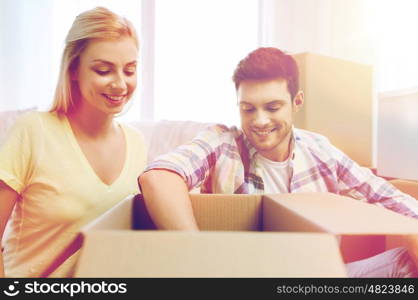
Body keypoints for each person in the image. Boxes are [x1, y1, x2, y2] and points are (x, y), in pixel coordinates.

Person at [138, 47, 418, 277]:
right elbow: (159, 176)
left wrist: (411, 233)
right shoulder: (222, 143)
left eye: (272, 108)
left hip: (318, 279)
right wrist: (197, 253)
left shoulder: (320, 150)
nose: (259, 121)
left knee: (405, 262)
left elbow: (390, 199)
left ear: (297, 102)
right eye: (248, 109)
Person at [0, 7, 147, 277]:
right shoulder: (33, 132)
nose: (120, 84)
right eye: (103, 70)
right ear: (73, 69)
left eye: (129, 70)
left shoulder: (137, 145)